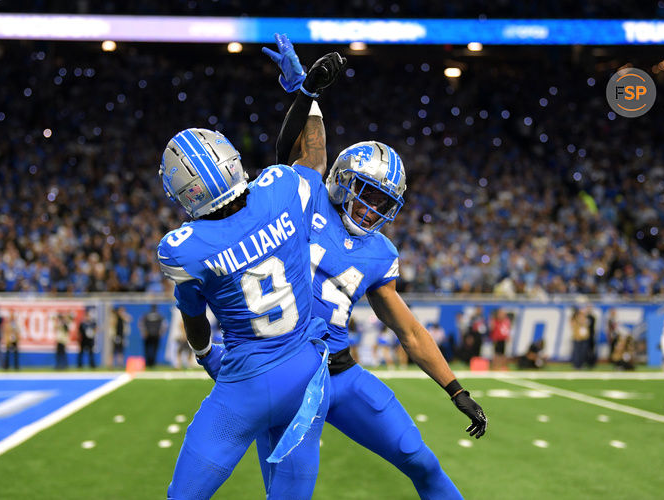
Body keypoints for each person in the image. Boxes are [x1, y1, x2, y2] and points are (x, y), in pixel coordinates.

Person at [203, 34, 487, 499]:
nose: (372, 210)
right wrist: (306, 92)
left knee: (421, 459)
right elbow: (302, 153)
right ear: (342, 181)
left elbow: (409, 332)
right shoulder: (304, 201)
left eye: (383, 202)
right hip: (287, 376)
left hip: (342, 373)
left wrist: (456, 390)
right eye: (367, 193)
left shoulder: (379, 252)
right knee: (291, 494)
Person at [157, 50, 346, 499]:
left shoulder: (185, 250)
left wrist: (206, 355)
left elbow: (196, 319)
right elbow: (313, 156)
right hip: (305, 372)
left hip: (245, 385)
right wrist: (310, 96)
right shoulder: (282, 189)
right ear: (232, 160)